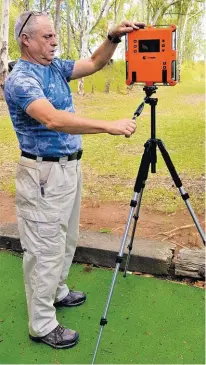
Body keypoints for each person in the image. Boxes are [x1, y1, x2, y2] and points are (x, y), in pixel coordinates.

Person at [4, 10, 145, 349]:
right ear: (26, 40)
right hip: (43, 174)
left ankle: (59, 291)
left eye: (55, 36)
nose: (55, 42)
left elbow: (95, 63)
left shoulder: (54, 66)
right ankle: (41, 324)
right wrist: (108, 125)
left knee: (66, 239)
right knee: (44, 248)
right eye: (47, 37)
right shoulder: (21, 79)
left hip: (69, 168)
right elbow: (52, 120)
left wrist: (112, 37)